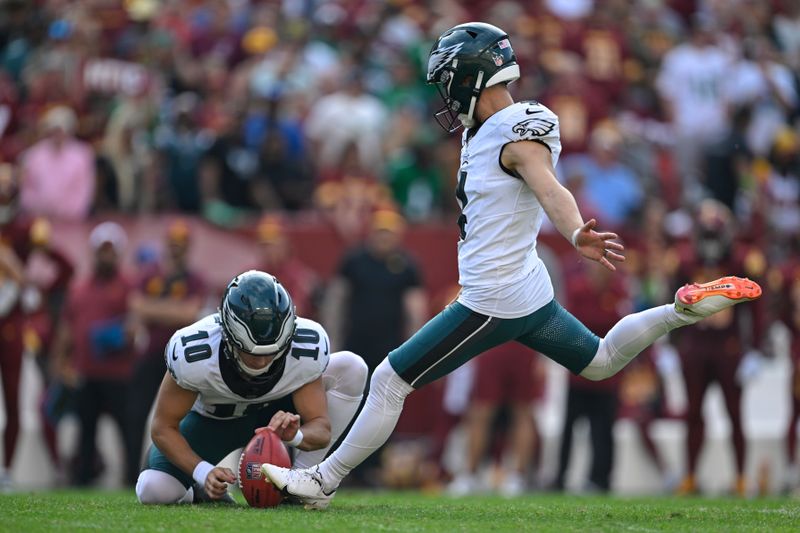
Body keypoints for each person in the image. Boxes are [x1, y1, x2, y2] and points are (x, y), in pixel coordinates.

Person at [262, 22, 762, 509]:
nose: (444, 95)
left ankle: (323, 480)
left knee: (391, 377)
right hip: (528, 287)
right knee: (601, 360)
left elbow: (549, 186)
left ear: (470, 79)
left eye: (448, 82)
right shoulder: (490, 129)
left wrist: (573, 231)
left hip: (493, 295)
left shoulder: (514, 134)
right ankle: (678, 310)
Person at [135, 270, 368, 504]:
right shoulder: (195, 353)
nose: (261, 362)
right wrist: (203, 472)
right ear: (227, 335)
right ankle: (198, 492)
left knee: (352, 368)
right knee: (153, 490)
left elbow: (322, 429)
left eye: (272, 353)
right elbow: (162, 427)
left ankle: (301, 482)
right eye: (249, 353)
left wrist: (296, 435)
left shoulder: (306, 347)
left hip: (273, 418)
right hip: (213, 424)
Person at [50, 221, 136, 486]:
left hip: (119, 374)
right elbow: (67, 327)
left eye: (110, 250)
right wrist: (60, 363)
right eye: (102, 250)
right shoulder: (78, 288)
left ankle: (132, 477)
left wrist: (118, 336)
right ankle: (83, 478)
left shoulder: (128, 286)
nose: (106, 256)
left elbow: (135, 324)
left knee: (127, 429)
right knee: (86, 431)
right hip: (85, 372)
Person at [126, 219, 206, 485]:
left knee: (185, 418)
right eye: (173, 243)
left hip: (182, 359)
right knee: (136, 414)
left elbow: (189, 313)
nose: (176, 249)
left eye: (181, 245)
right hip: (151, 355)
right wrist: (172, 310)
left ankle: (186, 473)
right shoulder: (151, 275)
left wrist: (156, 310)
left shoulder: (194, 279)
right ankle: (130, 475)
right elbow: (137, 306)